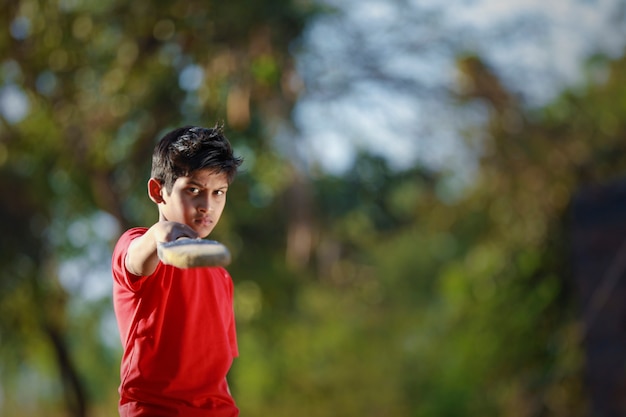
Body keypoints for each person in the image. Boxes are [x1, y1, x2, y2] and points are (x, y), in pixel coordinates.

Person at [111, 125, 243, 416]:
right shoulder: (140, 247)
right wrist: (162, 234)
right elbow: (137, 256)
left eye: (218, 192)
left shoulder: (220, 274)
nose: (207, 205)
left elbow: (218, 375)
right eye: (193, 190)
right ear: (158, 191)